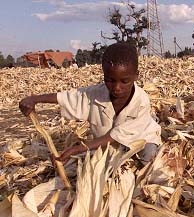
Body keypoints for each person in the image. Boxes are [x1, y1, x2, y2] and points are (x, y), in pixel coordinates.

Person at [19, 42, 162, 166]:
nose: (117, 87)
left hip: (141, 137)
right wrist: (34, 99)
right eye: (110, 80)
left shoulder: (141, 101)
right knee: (77, 164)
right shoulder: (94, 94)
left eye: (124, 81)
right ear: (104, 75)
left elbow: (114, 136)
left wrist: (77, 149)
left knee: (148, 160)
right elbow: (66, 97)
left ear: (136, 76)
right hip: (107, 145)